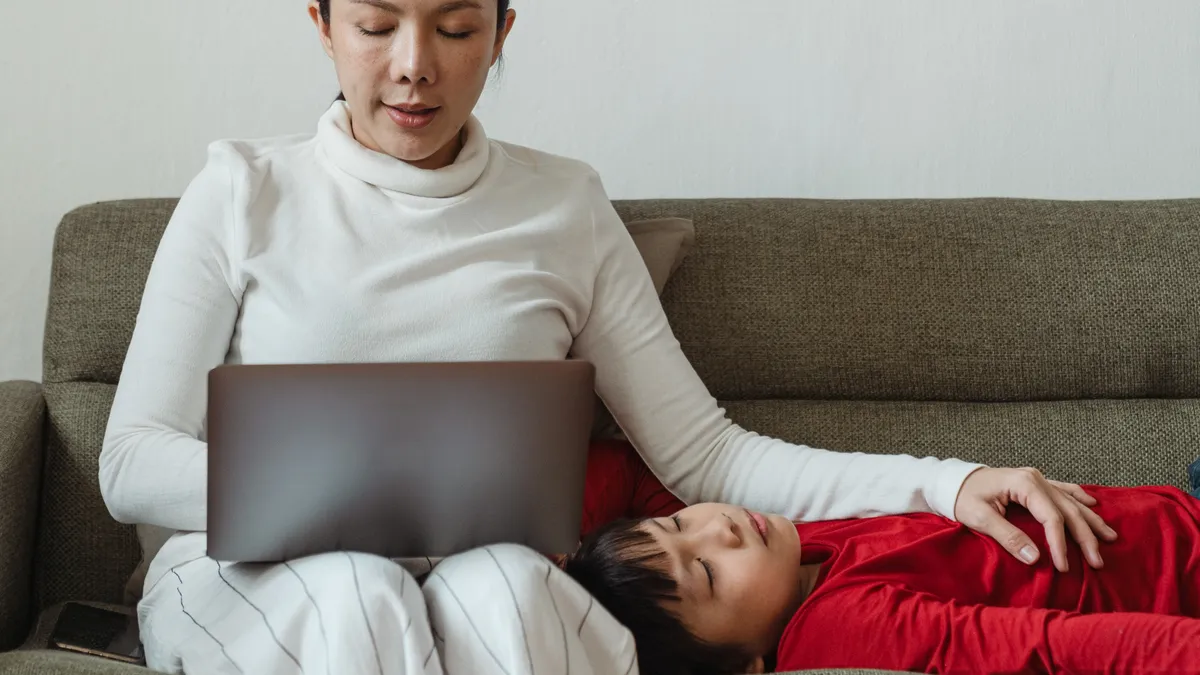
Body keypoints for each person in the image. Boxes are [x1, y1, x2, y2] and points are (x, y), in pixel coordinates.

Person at [98, 0, 1116, 673]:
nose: (414, 68)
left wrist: (948, 482)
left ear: (502, 30)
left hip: (471, 570)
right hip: (249, 569)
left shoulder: (564, 207)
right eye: (375, 24)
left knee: (507, 585)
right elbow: (131, 463)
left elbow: (706, 455)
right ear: (321, 25)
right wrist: (370, 502)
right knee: (359, 591)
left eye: (454, 27)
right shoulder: (244, 190)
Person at [564, 453, 1200, 675]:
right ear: (743, 666)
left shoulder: (791, 548)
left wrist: (558, 569)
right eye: (704, 573)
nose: (716, 528)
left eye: (678, 523)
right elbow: (1054, 649)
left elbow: (616, 467)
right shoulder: (836, 629)